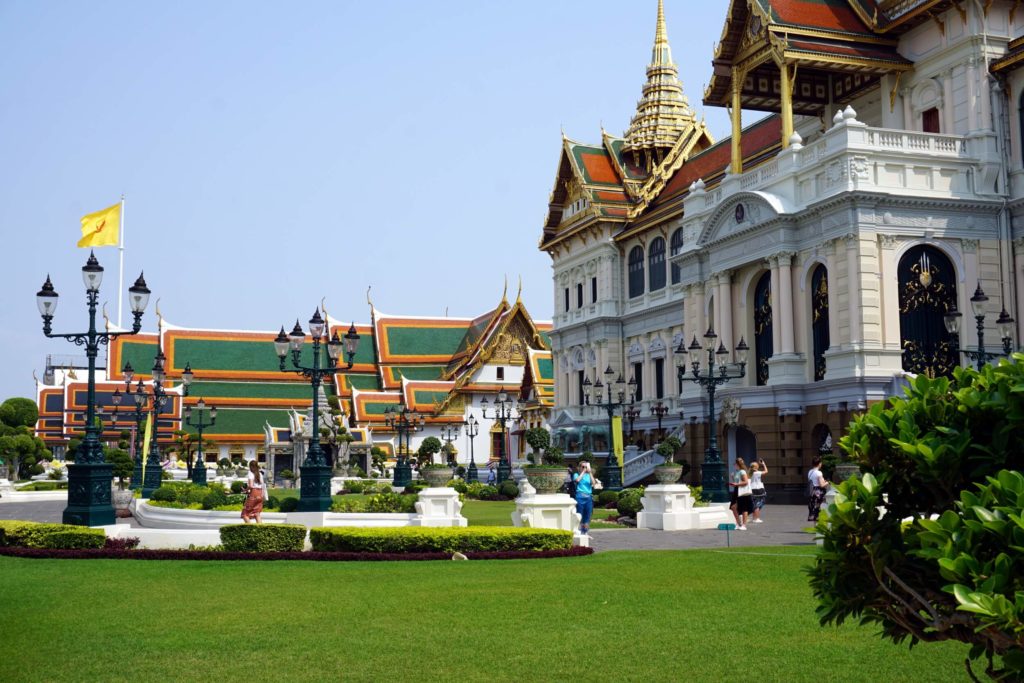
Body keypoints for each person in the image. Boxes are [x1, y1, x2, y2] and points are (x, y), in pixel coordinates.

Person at [727, 458, 753, 530]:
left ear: (738, 464)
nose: (734, 465)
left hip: (742, 491)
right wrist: (732, 478)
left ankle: (744, 525)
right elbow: (737, 482)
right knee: (733, 507)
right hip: (737, 490)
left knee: (744, 507)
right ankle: (739, 523)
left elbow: (746, 482)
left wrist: (736, 484)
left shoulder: (742, 472)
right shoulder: (736, 472)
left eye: (735, 464)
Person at [573, 461, 595, 535]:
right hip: (580, 496)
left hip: (588, 496)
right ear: (579, 467)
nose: (584, 468)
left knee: (587, 515)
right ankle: (579, 531)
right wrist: (584, 471)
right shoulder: (576, 474)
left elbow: (593, 483)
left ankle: (585, 532)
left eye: (585, 466)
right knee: (579, 514)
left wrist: (590, 472)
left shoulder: (588, 475)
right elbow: (577, 480)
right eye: (582, 467)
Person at [807, 456, 830, 522]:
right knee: (819, 508)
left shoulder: (810, 472)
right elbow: (822, 485)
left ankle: (815, 526)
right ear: (819, 463)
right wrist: (828, 482)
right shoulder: (819, 473)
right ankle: (818, 526)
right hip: (818, 492)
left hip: (812, 492)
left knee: (814, 508)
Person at [750, 459, 768, 523]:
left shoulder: (749, 473)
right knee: (758, 504)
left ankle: (754, 518)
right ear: (757, 467)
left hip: (752, 489)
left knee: (755, 504)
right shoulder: (757, 473)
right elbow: (766, 471)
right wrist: (763, 464)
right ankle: (756, 518)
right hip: (759, 489)